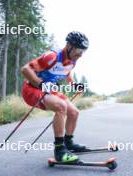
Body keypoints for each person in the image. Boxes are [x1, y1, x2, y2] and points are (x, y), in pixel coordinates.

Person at [21, 31, 89, 163]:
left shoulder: (72, 61)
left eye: (83, 52)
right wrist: (41, 84)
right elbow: (25, 69)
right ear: (69, 46)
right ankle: (59, 151)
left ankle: (68, 143)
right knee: (60, 106)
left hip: (48, 89)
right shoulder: (51, 57)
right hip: (31, 89)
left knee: (74, 112)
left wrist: (74, 85)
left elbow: (66, 72)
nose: (80, 55)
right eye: (79, 50)